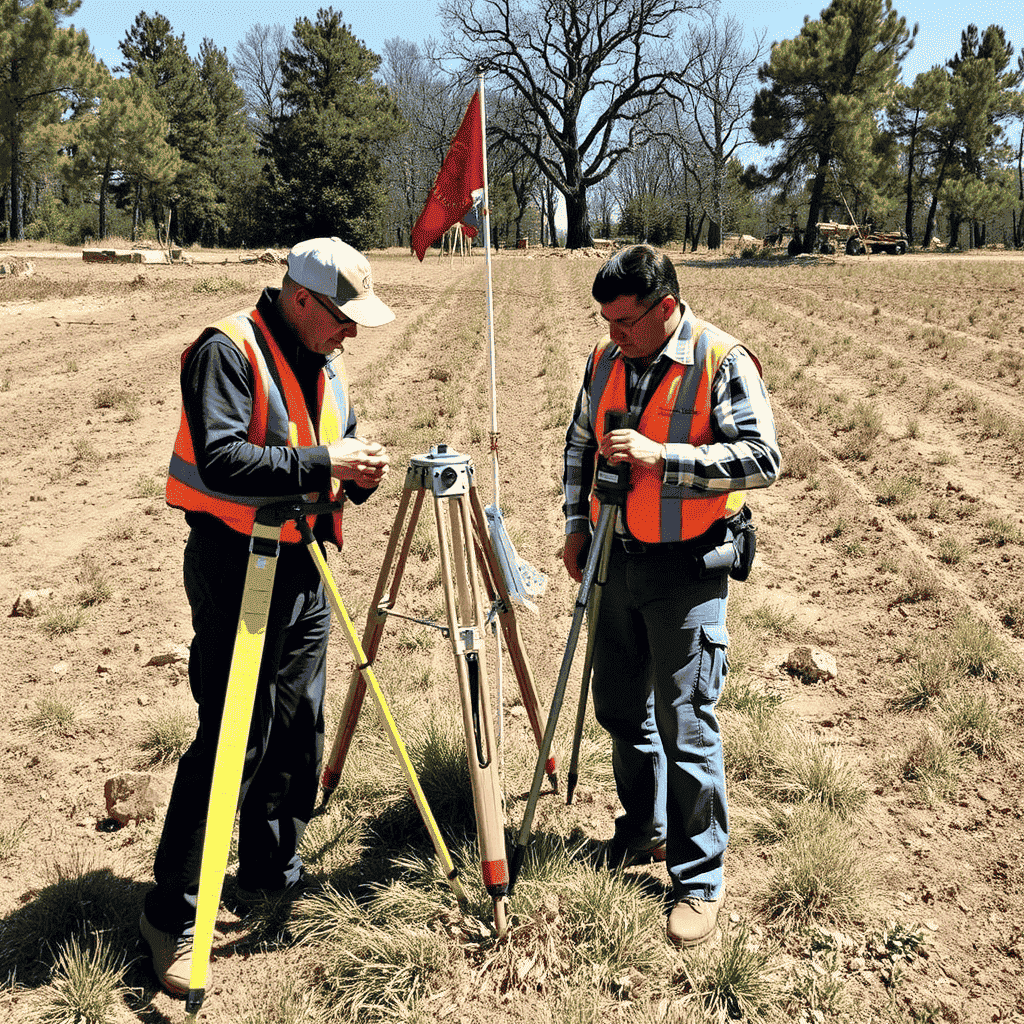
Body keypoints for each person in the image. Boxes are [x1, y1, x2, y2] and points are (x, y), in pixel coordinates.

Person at [140, 237, 394, 996]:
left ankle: (270, 870)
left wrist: (355, 473)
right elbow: (222, 460)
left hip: (302, 561)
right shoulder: (227, 350)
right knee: (233, 736)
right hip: (236, 566)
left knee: (295, 725)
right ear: (303, 300)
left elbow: (325, 444)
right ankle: (174, 913)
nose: (352, 334)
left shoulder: (319, 355)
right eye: (344, 319)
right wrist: (326, 466)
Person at [561, 244, 781, 947]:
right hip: (613, 560)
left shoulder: (722, 360)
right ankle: (645, 828)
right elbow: (578, 444)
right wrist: (574, 521)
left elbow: (762, 457)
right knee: (622, 709)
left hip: (686, 567)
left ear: (664, 308)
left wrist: (665, 459)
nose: (613, 333)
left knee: (686, 720)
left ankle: (699, 878)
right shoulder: (604, 359)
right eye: (606, 319)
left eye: (624, 320)